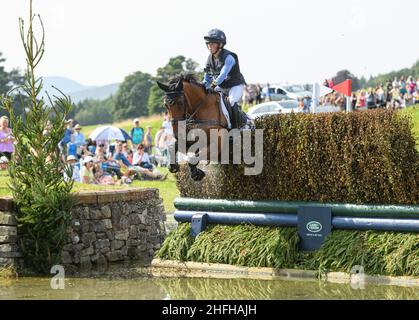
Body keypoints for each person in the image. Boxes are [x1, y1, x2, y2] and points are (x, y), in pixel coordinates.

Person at [202, 28, 246, 129]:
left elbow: (223, 75)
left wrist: (212, 85)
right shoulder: (209, 59)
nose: (209, 47)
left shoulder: (229, 57)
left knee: (230, 101)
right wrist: (201, 87)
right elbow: (206, 78)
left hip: (235, 86)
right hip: (221, 87)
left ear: (220, 45)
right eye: (208, 44)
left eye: (212, 44)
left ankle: (239, 126)